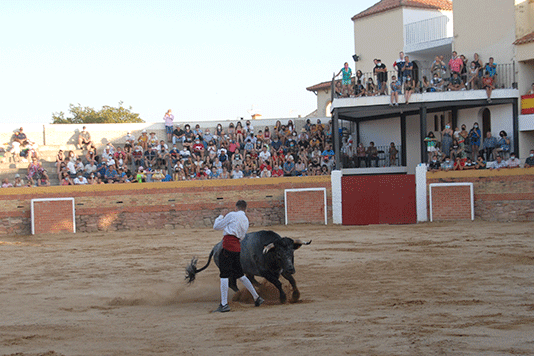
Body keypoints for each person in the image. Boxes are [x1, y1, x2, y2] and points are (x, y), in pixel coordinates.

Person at [212, 200, 264, 312]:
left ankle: (224, 304)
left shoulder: (232, 215)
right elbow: (242, 237)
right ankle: (257, 297)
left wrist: (221, 215)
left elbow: (216, 226)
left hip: (227, 246)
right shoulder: (246, 220)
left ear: (236, 208)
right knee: (240, 274)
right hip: (237, 248)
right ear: (246, 209)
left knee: (224, 275)